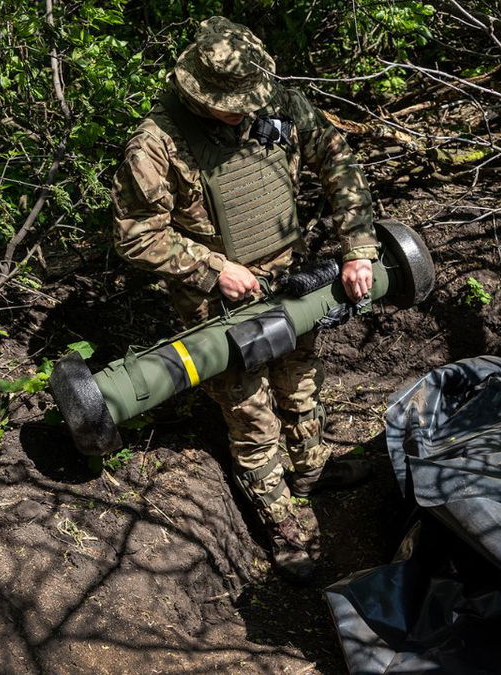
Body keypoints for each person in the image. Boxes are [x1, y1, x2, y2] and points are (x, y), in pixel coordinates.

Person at [110, 16, 379, 580]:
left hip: (289, 277)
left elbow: (338, 161)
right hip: (216, 304)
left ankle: (310, 465)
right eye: (233, 104)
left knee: (301, 374)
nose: (249, 111)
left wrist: (357, 247)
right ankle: (281, 521)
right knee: (250, 408)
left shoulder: (275, 101)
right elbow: (136, 235)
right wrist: (213, 268)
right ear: (199, 96)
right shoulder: (155, 143)